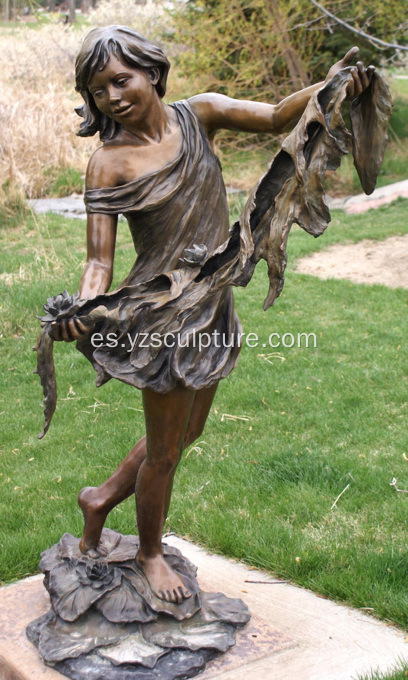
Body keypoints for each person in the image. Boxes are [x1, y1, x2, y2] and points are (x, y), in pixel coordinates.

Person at [51, 25, 374, 605]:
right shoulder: (108, 162)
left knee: (188, 432)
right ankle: (150, 554)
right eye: (99, 91)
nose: (113, 97)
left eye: (121, 80)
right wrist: (82, 306)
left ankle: (99, 498)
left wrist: (332, 84)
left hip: (213, 303)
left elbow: (278, 115)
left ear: (151, 71)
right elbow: (99, 262)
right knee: (166, 450)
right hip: (163, 316)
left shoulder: (199, 115)